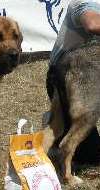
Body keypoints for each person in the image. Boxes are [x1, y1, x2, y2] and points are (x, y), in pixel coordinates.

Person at [46, 0, 100, 165]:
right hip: (72, 75)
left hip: (84, 73)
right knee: (90, 155)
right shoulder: (86, 1)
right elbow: (92, 24)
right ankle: (63, 162)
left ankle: (52, 143)